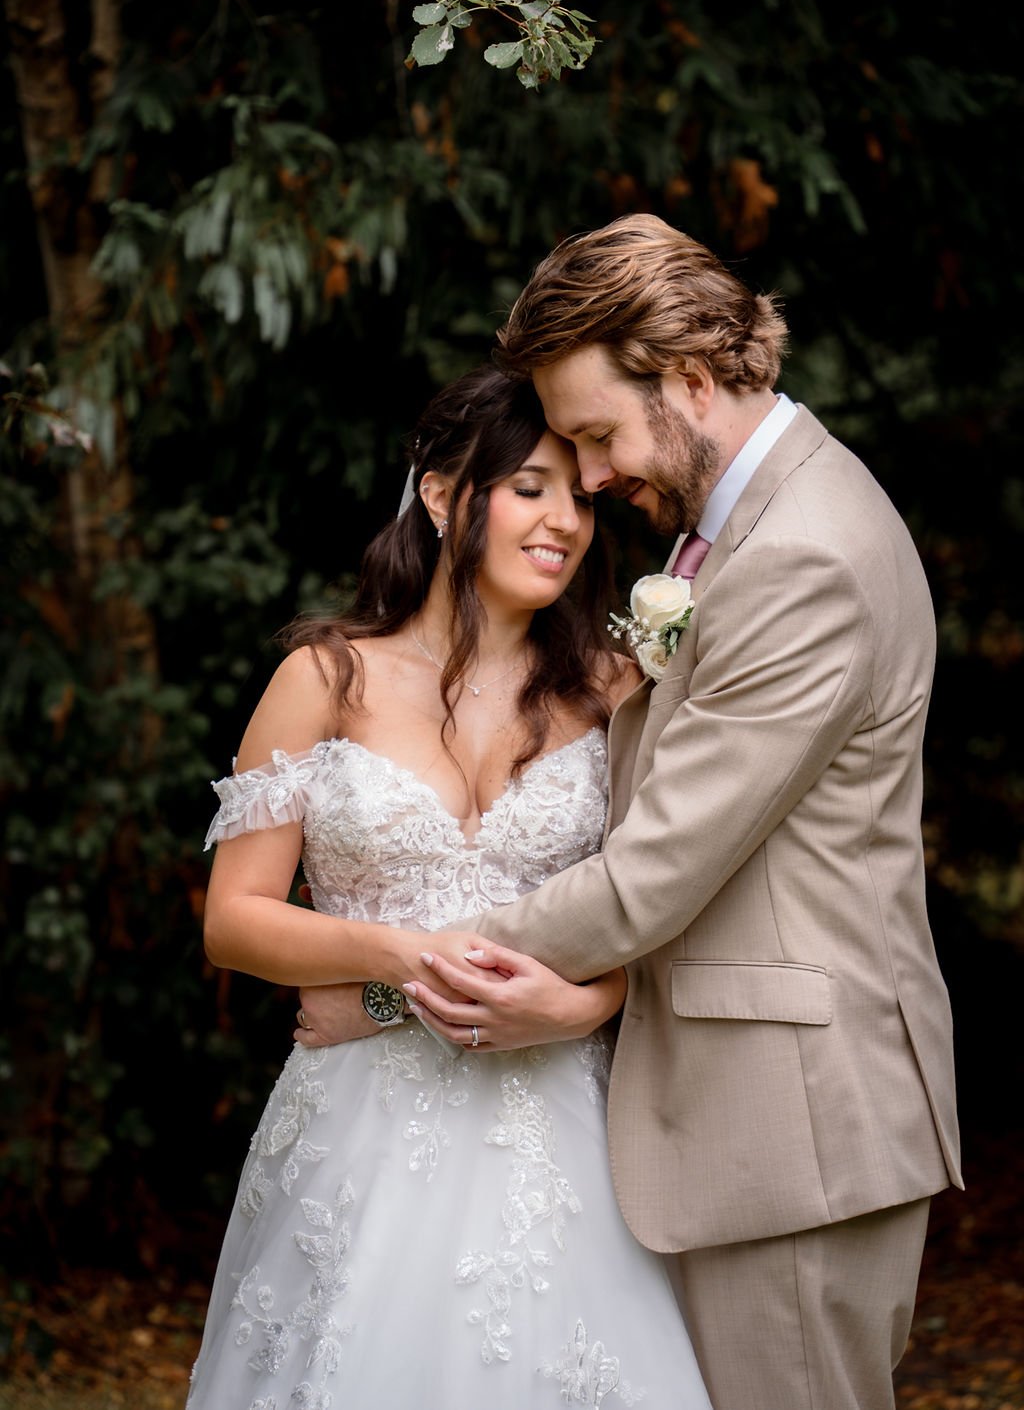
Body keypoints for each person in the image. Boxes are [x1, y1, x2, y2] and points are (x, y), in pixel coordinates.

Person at [299, 216, 962, 1410]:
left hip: (790, 1134)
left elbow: (648, 876)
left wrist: (397, 992)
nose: (593, 478)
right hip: (737, 1122)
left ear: (693, 378)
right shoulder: (744, 532)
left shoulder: (801, 556)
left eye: (598, 435)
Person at [187, 363, 713, 1409]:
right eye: (528, 486)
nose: (563, 520)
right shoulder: (324, 676)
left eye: (578, 495)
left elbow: (665, 913)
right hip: (356, 1133)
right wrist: (394, 958)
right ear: (440, 493)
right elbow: (233, 919)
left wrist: (584, 1001)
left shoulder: (617, 691)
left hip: (566, 1129)